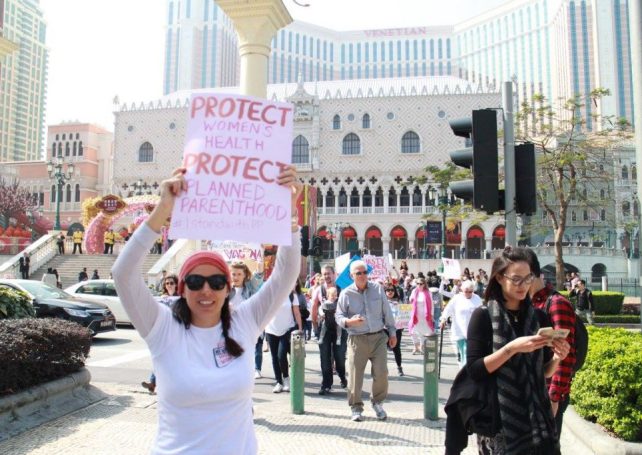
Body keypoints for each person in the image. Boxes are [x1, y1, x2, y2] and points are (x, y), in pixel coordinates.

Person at [112, 166, 301, 453]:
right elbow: (123, 274)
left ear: (228, 289)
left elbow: (285, 275)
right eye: (195, 281)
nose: (206, 291)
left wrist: (289, 218)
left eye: (215, 281)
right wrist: (163, 210)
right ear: (182, 287)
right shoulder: (161, 327)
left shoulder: (245, 321)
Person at [464, 246, 570, 454]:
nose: (523, 285)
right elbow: (475, 370)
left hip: (537, 419)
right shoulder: (483, 316)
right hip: (499, 419)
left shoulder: (538, 317)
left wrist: (558, 357)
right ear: (500, 278)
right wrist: (511, 348)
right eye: (516, 279)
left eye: (528, 278)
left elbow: (544, 371)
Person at [336, 260, 397, 422]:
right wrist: (349, 322)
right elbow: (339, 316)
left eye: (364, 272)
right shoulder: (346, 293)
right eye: (358, 273)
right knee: (355, 375)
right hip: (357, 339)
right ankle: (356, 407)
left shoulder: (377, 289)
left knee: (382, 372)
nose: (363, 276)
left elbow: (387, 312)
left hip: (378, 337)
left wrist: (392, 333)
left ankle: (377, 402)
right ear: (352, 276)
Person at [525, 249, 576, 439]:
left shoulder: (556, 303)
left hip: (548, 393)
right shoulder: (527, 304)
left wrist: (554, 397)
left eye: (523, 277)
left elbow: (565, 354)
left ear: (535, 275)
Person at [142, 273, 180, 394]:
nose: (169, 285)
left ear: (176, 284)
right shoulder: (162, 298)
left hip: (177, 332)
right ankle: (153, 383)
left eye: (172, 283)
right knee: (159, 357)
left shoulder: (181, 298)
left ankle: (162, 384)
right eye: (167, 283)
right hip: (164, 332)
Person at [264, 280, 303, 393]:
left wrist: (300, 329)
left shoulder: (292, 296)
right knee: (274, 357)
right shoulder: (271, 294)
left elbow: (296, 313)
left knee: (281, 355)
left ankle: (286, 378)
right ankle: (278, 382)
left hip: (287, 329)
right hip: (271, 329)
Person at [229, 261, 264, 378]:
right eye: (233, 274)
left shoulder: (250, 287)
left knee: (249, 353)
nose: (236, 277)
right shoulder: (226, 290)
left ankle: (255, 369)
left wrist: (260, 257)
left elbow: (259, 275)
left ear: (244, 275)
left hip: (248, 327)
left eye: (239, 274)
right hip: (232, 328)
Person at [439, 280, 482, 368]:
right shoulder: (456, 298)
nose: (468, 293)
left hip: (474, 330)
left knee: (470, 353)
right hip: (460, 330)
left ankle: (466, 371)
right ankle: (465, 372)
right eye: (466, 291)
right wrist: (443, 319)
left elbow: (482, 311)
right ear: (462, 290)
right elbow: (448, 309)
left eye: (470, 291)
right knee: (464, 352)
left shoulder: (477, 298)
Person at [316, 286, 348, 395]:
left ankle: (342, 376)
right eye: (324, 274)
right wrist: (318, 318)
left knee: (339, 357)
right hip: (325, 327)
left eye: (329, 274)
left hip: (338, 328)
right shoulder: (319, 289)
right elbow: (316, 307)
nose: (326, 276)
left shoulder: (342, 288)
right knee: (325, 357)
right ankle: (326, 384)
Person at [408, 277, 434, 355]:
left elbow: (431, 305)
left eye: (421, 284)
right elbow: (410, 300)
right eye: (417, 284)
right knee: (412, 331)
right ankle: (416, 346)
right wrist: (411, 299)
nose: (419, 285)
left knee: (424, 331)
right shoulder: (414, 291)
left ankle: (422, 346)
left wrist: (432, 314)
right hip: (415, 314)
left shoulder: (428, 292)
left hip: (425, 315)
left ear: (424, 284)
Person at [385, 285, 405, 376]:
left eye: (392, 290)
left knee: (396, 348)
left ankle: (399, 367)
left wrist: (404, 323)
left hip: (397, 328)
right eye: (388, 290)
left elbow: (405, 314)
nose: (390, 292)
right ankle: (383, 368)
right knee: (383, 349)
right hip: (384, 328)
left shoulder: (399, 301)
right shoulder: (382, 301)